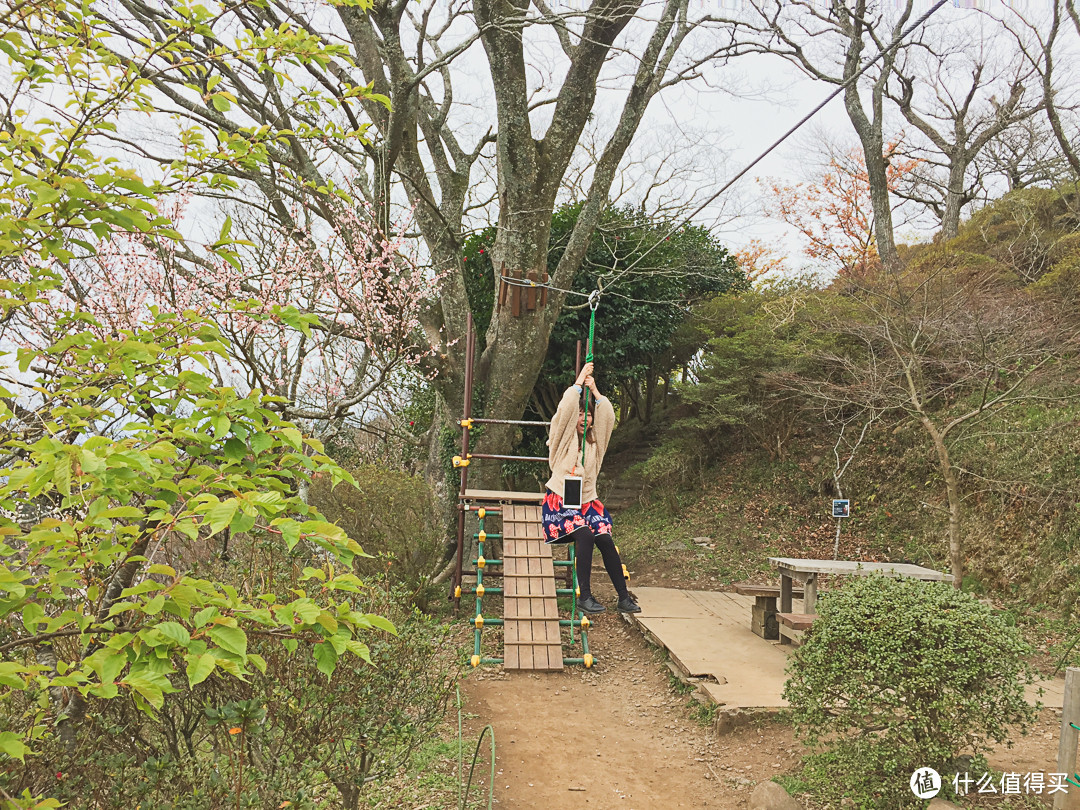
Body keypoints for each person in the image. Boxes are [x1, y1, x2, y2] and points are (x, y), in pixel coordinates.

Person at [543, 361, 641, 614]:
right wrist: (578, 382)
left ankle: (622, 597)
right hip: (562, 500)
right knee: (584, 535)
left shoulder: (595, 446)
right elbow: (563, 412)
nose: (584, 420)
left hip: (587, 500)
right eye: (580, 415)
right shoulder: (561, 440)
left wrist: (595, 390)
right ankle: (584, 596)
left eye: (588, 417)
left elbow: (607, 418)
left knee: (605, 539)